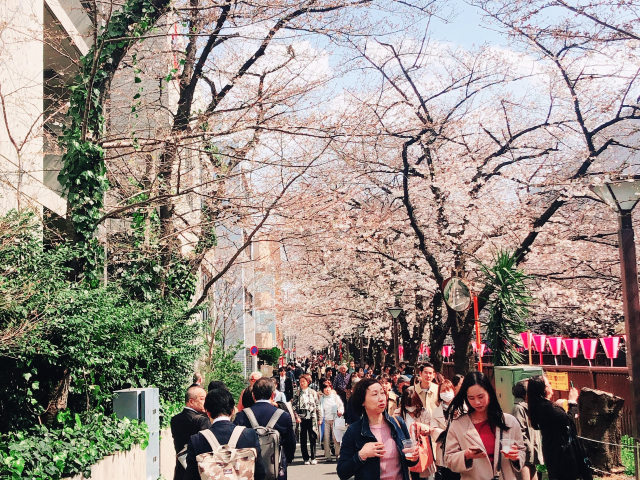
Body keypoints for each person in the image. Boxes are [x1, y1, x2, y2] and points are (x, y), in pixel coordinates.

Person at [444, 372, 525, 480]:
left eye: (481, 396)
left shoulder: (509, 421)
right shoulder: (458, 425)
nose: (477, 402)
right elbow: (449, 459)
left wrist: (516, 457)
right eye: (471, 398)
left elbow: (522, 451)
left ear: (490, 393)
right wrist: (466, 455)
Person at [337, 378, 419, 480]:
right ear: (363, 401)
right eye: (375, 394)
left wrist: (414, 457)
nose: (381, 398)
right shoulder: (354, 431)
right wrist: (361, 455)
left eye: (382, 393)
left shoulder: (398, 423)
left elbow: (408, 460)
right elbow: (342, 472)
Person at [185, 388, 266, 480]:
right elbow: (260, 472)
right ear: (232, 410)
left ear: (208, 412)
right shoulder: (249, 434)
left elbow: (191, 476)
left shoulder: (197, 440)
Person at [527, 375, 591, 480]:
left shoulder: (539, 407)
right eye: (549, 384)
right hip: (562, 454)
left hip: (552, 451)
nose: (551, 386)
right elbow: (569, 419)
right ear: (543, 389)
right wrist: (572, 401)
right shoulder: (549, 408)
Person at [234, 378, 296, 480]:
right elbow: (290, 442)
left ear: (253, 395)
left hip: (250, 470)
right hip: (276, 468)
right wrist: (287, 460)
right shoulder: (283, 415)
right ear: (273, 395)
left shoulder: (242, 416)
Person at [170, 386, 211, 480]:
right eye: (202, 399)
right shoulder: (202, 421)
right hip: (196, 472)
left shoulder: (175, 419)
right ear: (191, 402)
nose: (206, 402)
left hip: (181, 470)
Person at [510, 380, 542, 480]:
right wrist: (527, 449)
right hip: (524, 457)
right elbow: (520, 432)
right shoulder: (518, 408)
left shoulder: (528, 408)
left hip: (531, 456)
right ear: (525, 394)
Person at [293, 374, 323, 464]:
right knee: (303, 438)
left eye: (304, 381)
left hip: (312, 416)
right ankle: (305, 458)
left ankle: (313, 457)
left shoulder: (313, 392)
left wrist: (319, 417)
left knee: (312, 436)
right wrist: (296, 416)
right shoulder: (297, 393)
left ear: (308, 382)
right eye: (301, 381)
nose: (302, 383)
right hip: (301, 417)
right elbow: (294, 406)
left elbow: (317, 405)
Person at [430, 380, 456, 480]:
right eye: (443, 390)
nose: (446, 392)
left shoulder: (461, 407)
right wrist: (444, 434)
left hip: (457, 446)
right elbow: (433, 428)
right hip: (443, 445)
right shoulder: (436, 411)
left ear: (453, 391)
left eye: (448, 389)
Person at [320, 380, 345, 461]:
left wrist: (340, 411)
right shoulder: (321, 399)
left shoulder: (335, 397)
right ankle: (327, 455)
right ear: (323, 390)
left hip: (335, 419)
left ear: (331, 388)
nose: (327, 389)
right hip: (325, 420)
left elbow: (341, 406)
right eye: (325, 388)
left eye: (328, 387)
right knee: (326, 438)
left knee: (336, 437)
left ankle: (338, 454)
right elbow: (319, 409)